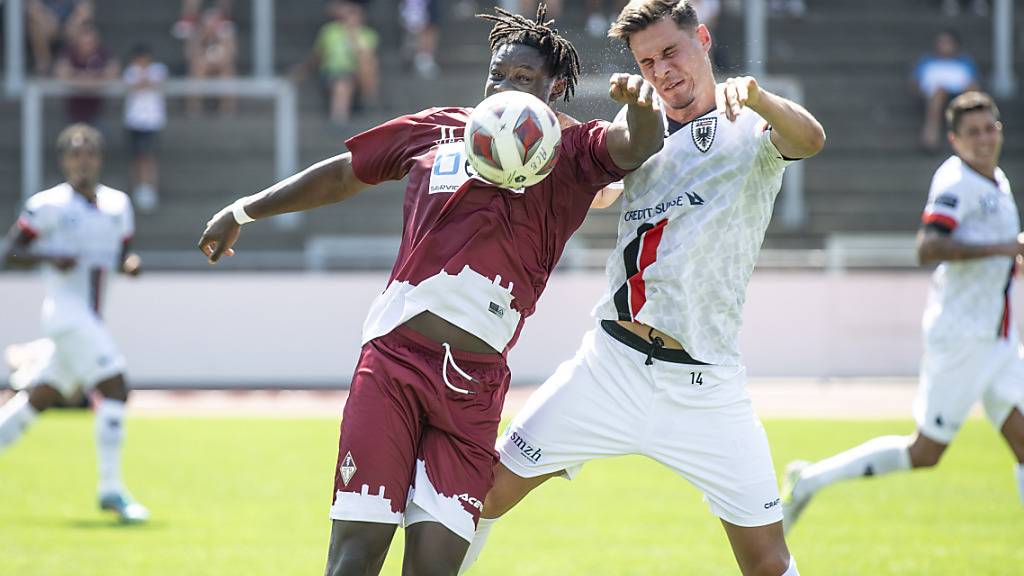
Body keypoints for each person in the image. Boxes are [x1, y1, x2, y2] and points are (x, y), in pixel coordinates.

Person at [197, 5, 663, 574]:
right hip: (391, 365)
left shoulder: (571, 156)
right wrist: (243, 210)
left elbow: (635, 144)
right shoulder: (439, 129)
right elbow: (346, 172)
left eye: (524, 79)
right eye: (498, 75)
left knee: (434, 569)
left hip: (473, 389)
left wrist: (642, 107)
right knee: (354, 558)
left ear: (557, 87)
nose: (505, 87)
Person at [458, 1, 825, 574]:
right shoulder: (637, 134)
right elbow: (597, 190)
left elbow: (810, 140)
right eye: (647, 61)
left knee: (767, 561)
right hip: (610, 367)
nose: (661, 70)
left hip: (706, 383)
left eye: (670, 52)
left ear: (702, 39)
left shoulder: (750, 125)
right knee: (477, 497)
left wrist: (758, 96)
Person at [782, 91, 1024, 533]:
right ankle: (810, 479)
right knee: (925, 454)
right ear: (954, 139)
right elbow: (928, 247)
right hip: (962, 339)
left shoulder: (997, 181)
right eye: (972, 133)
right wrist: (1007, 247)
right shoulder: (956, 183)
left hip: (1000, 340)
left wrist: (1011, 260)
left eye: (990, 128)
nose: (984, 139)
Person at [0, 123, 148, 524]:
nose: (82, 161)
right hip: (66, 314)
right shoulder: (47, 205)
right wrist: (50, 256)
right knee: (115, 386)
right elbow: (10, 250)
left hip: (90, 317)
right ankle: (111, 490)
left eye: (89, 153)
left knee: (39, 398)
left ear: (99, 159)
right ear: (64, 160)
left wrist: (130, 266)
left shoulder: (118, 205)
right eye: (75, 153)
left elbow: (122, 256)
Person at [294, 0, 380, 125]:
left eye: (355, 13)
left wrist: (353, 38)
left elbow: (368, 58)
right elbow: (318, 56)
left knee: (367, 64)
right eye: (350, 13)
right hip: (333, 74)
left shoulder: (368, 34)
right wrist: (304, 70)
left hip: (359, 74)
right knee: (343, 83)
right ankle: (339, 118)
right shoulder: (330, 31)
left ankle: (368, 98)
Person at [911, 29, 980, 152]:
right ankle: (930, 136)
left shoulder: (965, 61)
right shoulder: (927, 61)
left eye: (947, 42)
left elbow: (973, 82)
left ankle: (972, 134)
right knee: (939, 93)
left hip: (960, 95)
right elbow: (915, 83)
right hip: (934, 96)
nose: (944, 45)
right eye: (941, 42)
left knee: (971, 92)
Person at [123, 44, 169, 213]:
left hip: (152, 122)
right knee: (136, 157)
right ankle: (138, 188)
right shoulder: (131, 71)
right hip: (134, 121)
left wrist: (144, 81)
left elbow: (156, 84)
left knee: (149, 157)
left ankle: (150, 189)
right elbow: (135, 85)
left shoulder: (158, 69)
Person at [54, 26, 120, 126]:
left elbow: (113, 71)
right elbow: (61, 72)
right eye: (84, 43)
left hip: (96, 111)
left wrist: (78, 76)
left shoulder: (103, 53)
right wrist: (92, 77)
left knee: (97, 140)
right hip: (73, 112)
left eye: (90, 43)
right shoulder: (69, 52)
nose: (87, 46)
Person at [186, 8, 237, 116]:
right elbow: (191, 54)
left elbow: (230, 54)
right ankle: (195, 107)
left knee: (227, 73)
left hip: (221, 66)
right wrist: (203, 37)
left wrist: (219, 38)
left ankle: (226, 108)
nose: (211, 26)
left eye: (214, 23)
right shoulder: (198, 34)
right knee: (197, 71)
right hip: (203, 66)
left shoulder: (226, 34)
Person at [26, 0, 93, 75]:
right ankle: (43, 66)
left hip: (70, 25)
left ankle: (75, 65)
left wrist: (73, 23)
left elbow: (85, 8)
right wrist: (47, 19)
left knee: (83, 26)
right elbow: (32, 7)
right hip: (46, 25)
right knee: (35, 27)